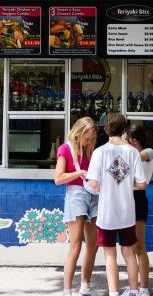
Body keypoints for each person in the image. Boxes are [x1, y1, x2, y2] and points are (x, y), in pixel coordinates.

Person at [85, 113, 146, 296]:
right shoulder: (133, 152)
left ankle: (113, 293)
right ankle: (134, 291)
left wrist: (86, 182)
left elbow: (94, 184)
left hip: (107, 214)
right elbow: (142, 184)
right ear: (124, 130)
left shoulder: (99, 152)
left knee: (110, 254)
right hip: (127, 212)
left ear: (105, 129)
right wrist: (127, 184)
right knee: (129, 253)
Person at [54, 117, 100, 296]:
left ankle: (85, 288)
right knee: (76, 245)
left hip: (93, 195)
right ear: (78, 134)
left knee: (93, 244)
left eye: (92, 139)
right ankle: (67, 290)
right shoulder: (66, 149)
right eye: (87, 139)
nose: (89, 142)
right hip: (76, 195)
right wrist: (79, 172)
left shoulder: (91, 150)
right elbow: (57, 178)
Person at [126, 125, 153, 296]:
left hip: (138, 199)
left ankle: (143, 288)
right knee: (128, 247)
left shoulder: (148, 152)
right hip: (126, 198)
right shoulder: (130, 153)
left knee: (139, 247)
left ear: (134, 140)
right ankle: (134, 288)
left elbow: (137, 156)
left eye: (126, 139)